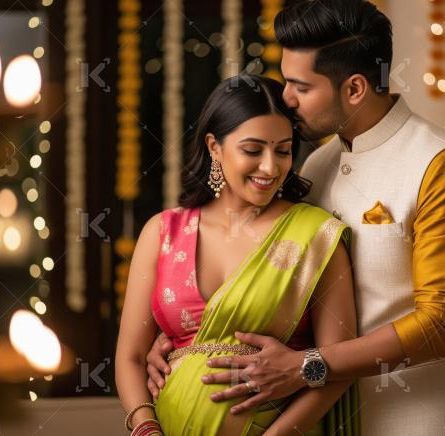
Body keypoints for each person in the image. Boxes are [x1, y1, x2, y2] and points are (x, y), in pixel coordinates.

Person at [146, 1, 445, 435]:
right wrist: (185, 346)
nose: (286, 100)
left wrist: (309, 366)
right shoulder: (314, 166)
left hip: (416, 422)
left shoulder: (443, 166)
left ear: (354, 89)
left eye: (300, 87)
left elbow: (444, 323)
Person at [115, 74, 360, 436]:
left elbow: (338, 366)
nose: (270, 167)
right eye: (252, 149)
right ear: (214, 147)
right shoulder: (163, 233)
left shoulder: (315, 235)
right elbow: (131, 358)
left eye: (282, 150)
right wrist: (145, 428)